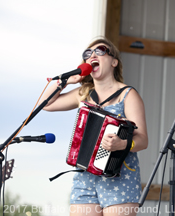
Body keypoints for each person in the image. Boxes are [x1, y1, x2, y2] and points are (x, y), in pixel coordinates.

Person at [43, 37, 148, 216]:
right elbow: (46, 104)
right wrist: (67, 81)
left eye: (100, 51)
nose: (92, 55)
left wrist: (122, 144)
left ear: (114, 61)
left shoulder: (128, 95)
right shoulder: (83, 93)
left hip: (120, 179)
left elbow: (143, 140)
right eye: (87, 54)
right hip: (84, 178)